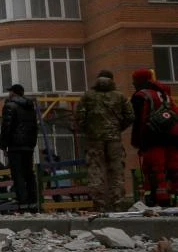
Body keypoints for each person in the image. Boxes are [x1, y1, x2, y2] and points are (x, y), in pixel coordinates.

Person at [75, 70, 135, 211]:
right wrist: (118, 128)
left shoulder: (87, 96)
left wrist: (89, 130)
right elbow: (131, 116)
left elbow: (79, 118)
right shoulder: (120, 97)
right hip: (114, 139)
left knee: (96, 169)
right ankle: (117, 203)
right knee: (116, 170)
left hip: (94, 139)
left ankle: (99, 204)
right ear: (112, 80)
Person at [130, 68, 176, 206]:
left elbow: (138, 121)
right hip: (172, 137)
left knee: (154, 170)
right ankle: (172, 199)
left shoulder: (141, 95)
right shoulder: (165, 94)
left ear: (139, 80)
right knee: (173, 169)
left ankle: (158, 201)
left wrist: (137, 141)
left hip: (153, 138)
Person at [0, 84, 39, 210]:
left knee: (18, 174)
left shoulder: (9, 106)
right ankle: (33, 202)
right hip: (28, 146)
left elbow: (6, 127)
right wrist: (32, 144)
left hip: (15, 146)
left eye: (10, 91)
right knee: (29, 173)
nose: (8, 94)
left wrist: (3, 145)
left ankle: (22, 203)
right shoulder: (30, 107)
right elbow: (35, 127)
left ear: (14, 93)